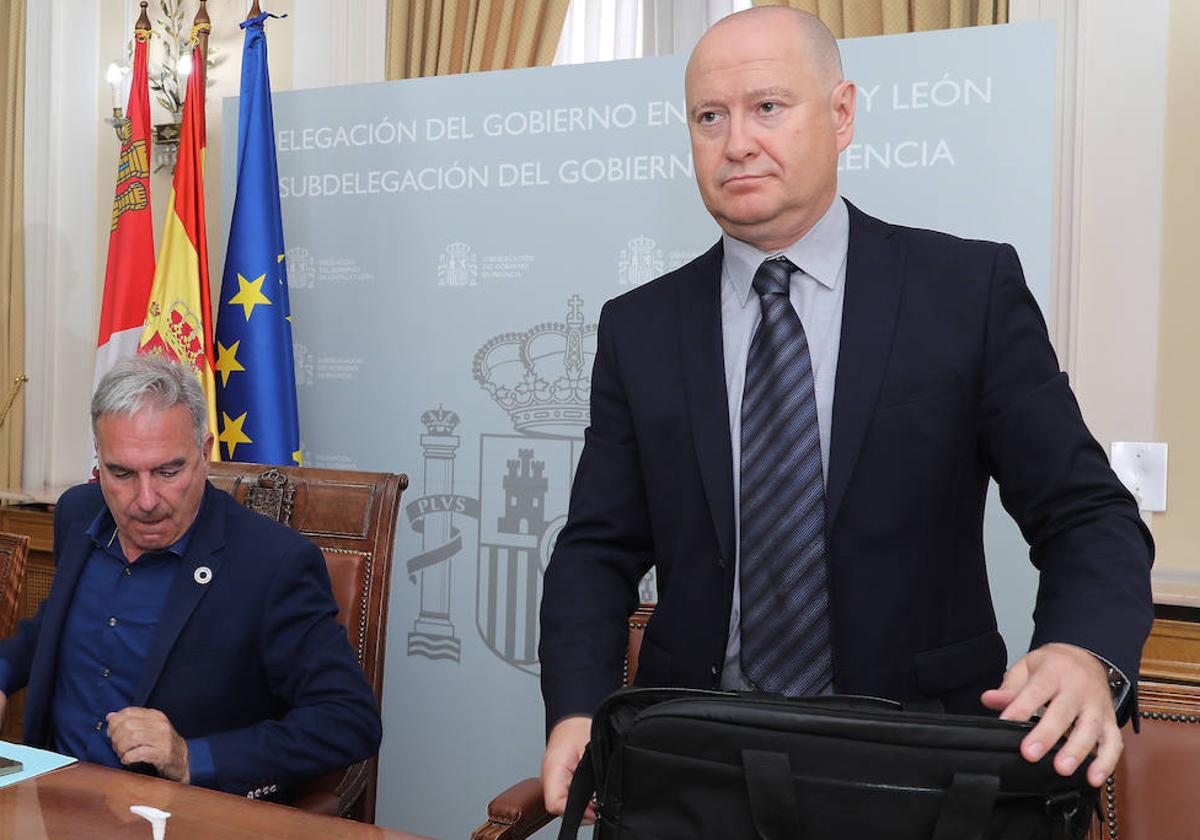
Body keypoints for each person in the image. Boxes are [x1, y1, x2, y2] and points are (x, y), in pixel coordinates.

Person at [538, 6, 1154, 817]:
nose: (737, 143)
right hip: (692, 767)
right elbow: (597, 549)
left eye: (768, 107)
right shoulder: (638, 326)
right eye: (709, 117)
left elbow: (1085, 512)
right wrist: (578, 710)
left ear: (841, 113)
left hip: (917, 774)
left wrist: (1082, 650)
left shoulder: (967, 293)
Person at [0, 354, 381, 798]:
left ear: (204, 453)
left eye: (168, 471)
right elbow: (55, 625)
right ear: (99, 461)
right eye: (122, 472)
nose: (145, 500)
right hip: (47, 795)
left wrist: (191, 757)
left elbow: (347, 720)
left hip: (170, 815)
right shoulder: (78, 513)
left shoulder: (273, 564)